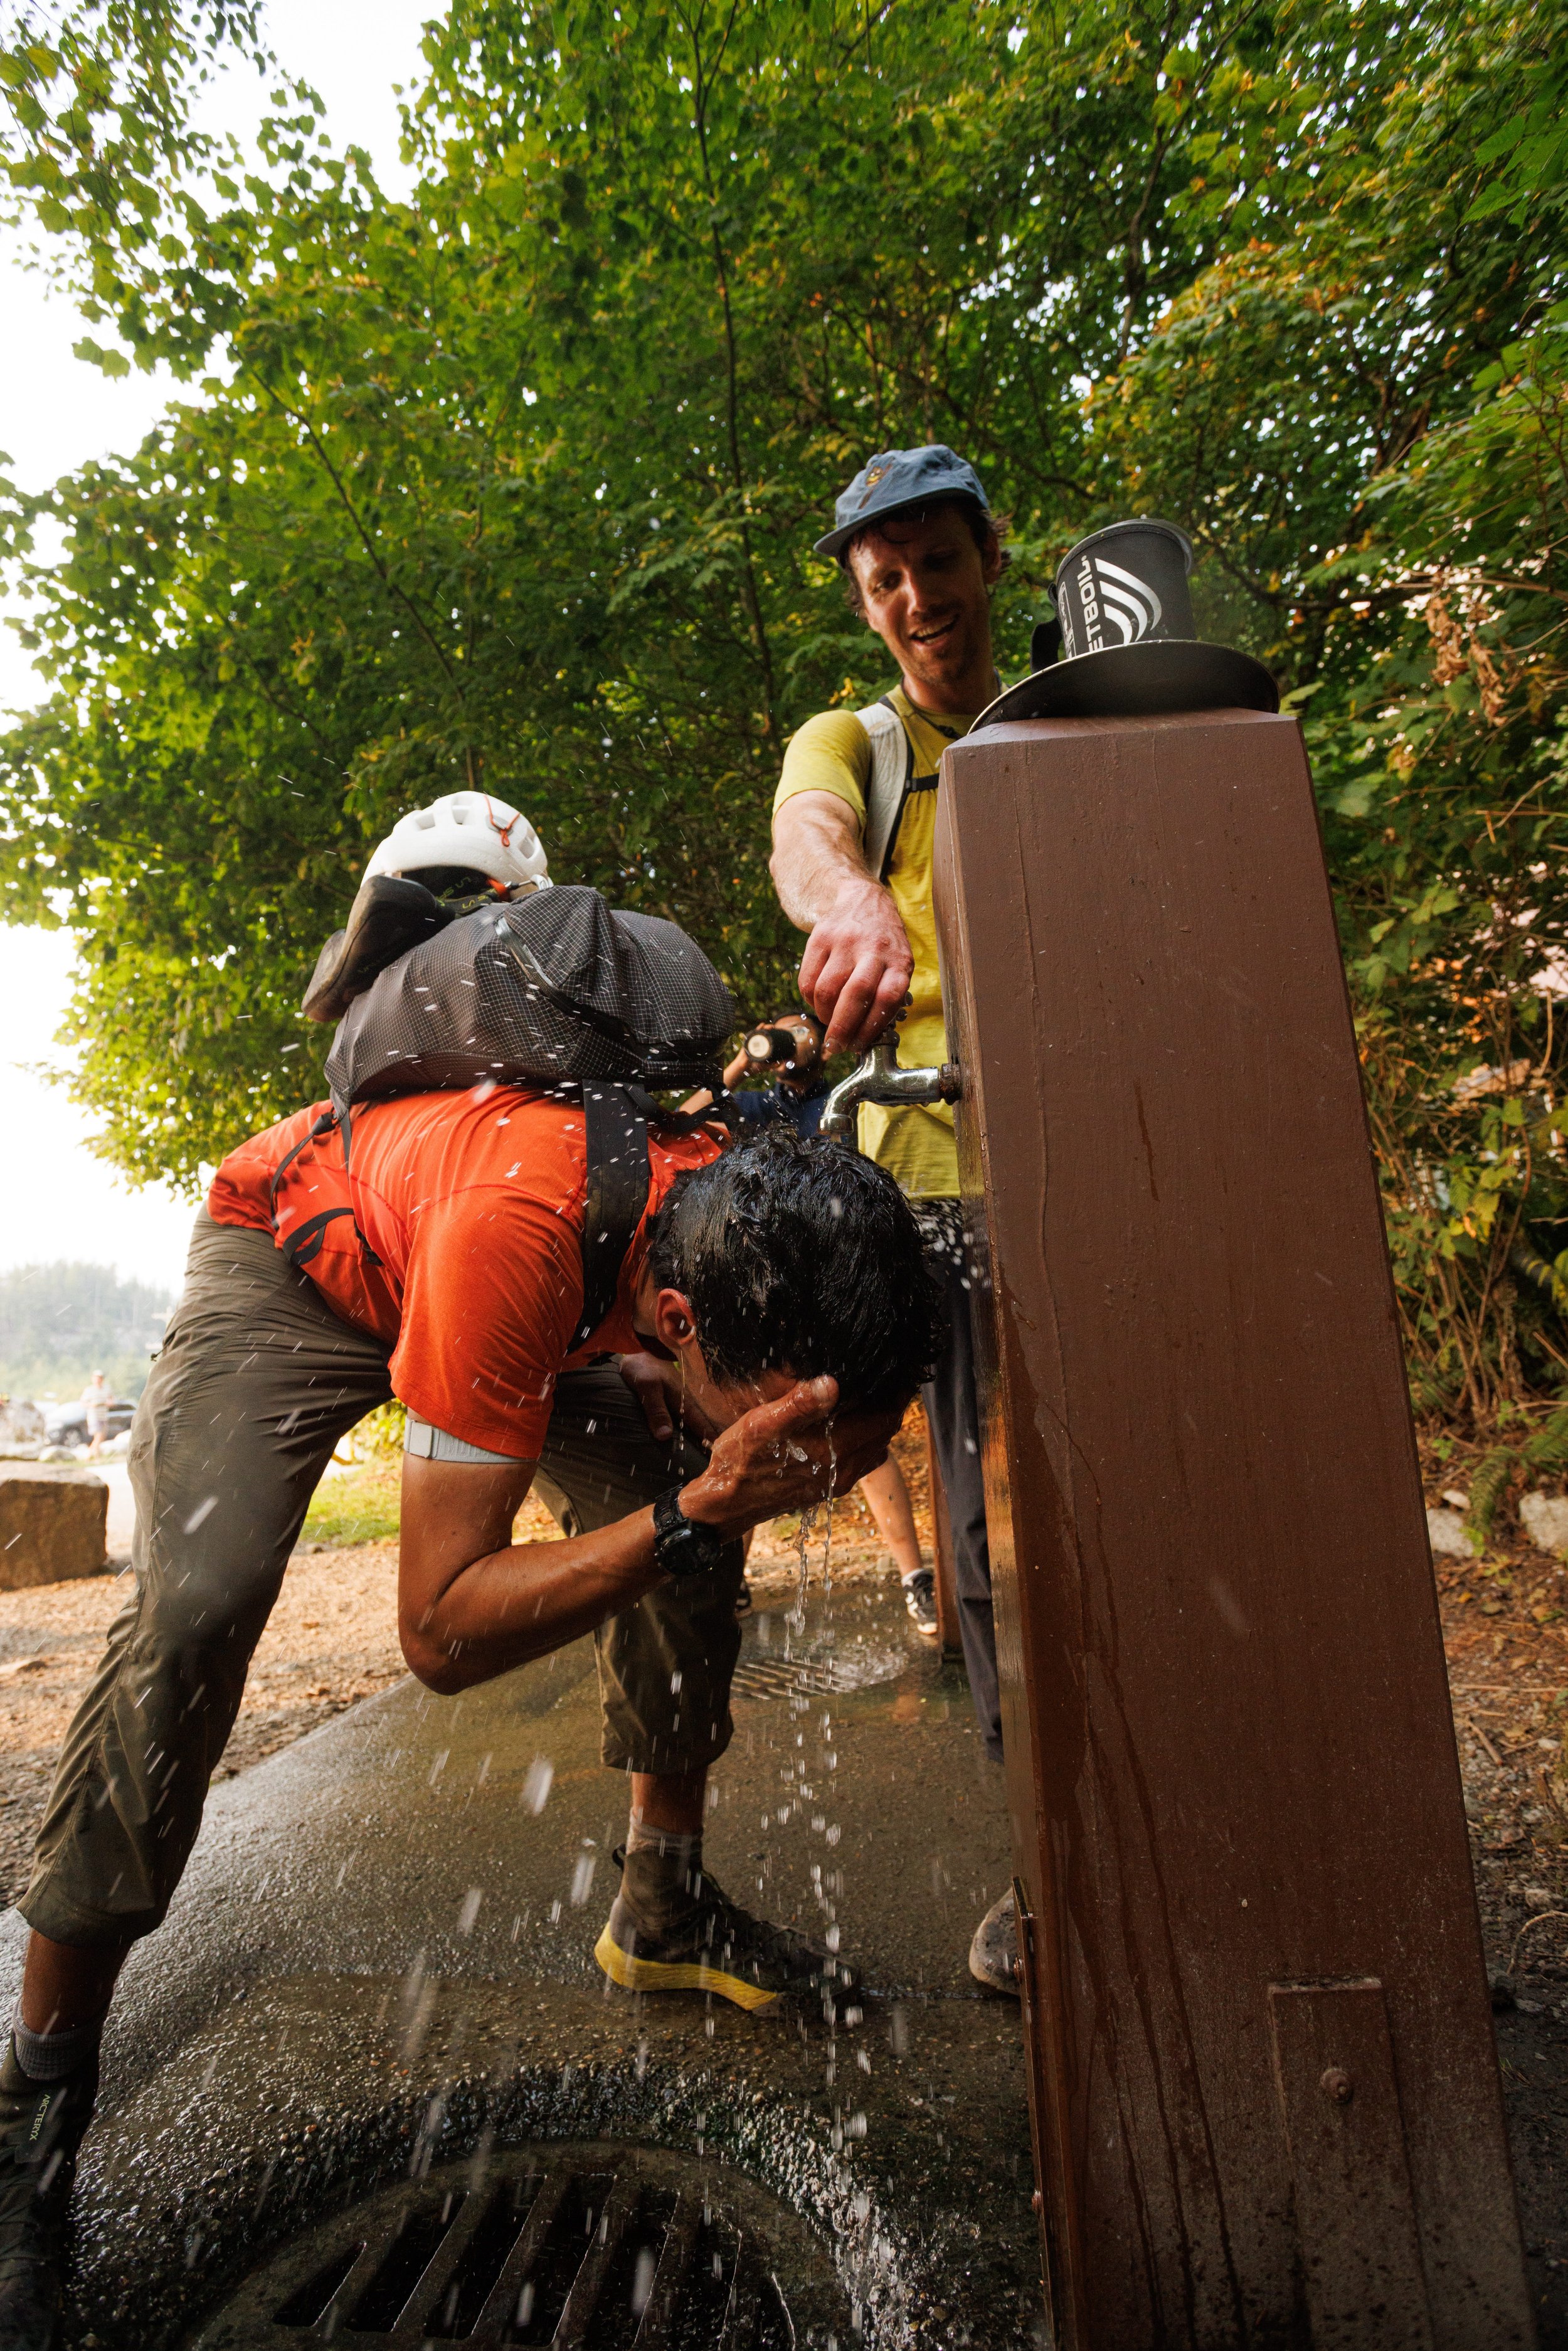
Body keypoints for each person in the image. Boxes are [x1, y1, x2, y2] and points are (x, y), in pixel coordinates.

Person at [0, 1115, 935, 2347]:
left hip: (529, 1272)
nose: (827, 1480)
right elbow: (440, 1633)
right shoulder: (514, 1238)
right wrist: (696, 1505)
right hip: (301, 1257)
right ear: (677, 1317)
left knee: (686, 1515)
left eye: (849, 1452)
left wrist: (694, 1463)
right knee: (197, 1611)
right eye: (804, 1448)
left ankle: (662, 1901)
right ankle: (34, 2097)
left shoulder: (731, 1199)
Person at [769, 443, 1017, 1993]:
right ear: (866, 607)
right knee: (956, 1494)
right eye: (885, 580)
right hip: (913, 1180)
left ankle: (1106, 1813)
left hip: (1071, 1162)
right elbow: (805, 835)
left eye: (935, 560)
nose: (916, 596)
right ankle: (1038, 1837)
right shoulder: (853, 741)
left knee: (1077, 1505)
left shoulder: (1061, 713)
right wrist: (848, 899)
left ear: (989, 557)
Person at [78, 1373, 110, 1462]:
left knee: (101, 1437)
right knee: (98, 1436)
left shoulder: (107, 1389)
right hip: (94, 1416)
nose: (98, 1380)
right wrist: (92, 1405)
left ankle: (88, 1455)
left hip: (104, 1415)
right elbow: (82, 1403)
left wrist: (109, 1403)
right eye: (96, 1378)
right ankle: (97, 1458)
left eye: (99, 1378)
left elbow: (111, 1399)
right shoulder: (89, 1390)